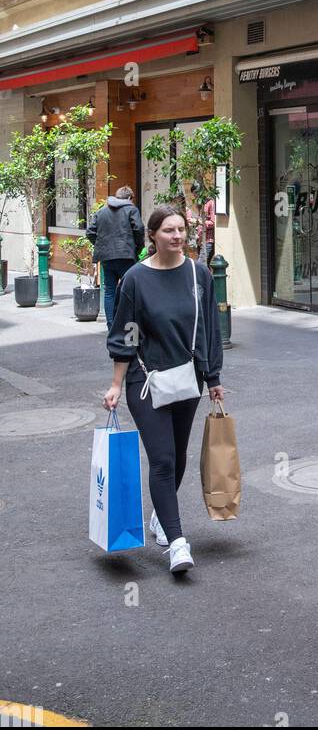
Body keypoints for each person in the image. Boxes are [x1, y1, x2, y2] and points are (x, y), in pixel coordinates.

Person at [101, 205, 224, 576]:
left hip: (187, 377)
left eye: (182, 230)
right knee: (163, 459)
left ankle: (160, 517)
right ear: (152, 235)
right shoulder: (136, 278)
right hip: (146, 380)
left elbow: (209, 330)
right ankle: (177, 542)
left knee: (179, 455)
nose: (178, 236)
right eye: (169, 230)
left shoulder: (198, 274)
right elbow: (128, 331)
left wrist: (213, 378)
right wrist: (116, 383)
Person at [85, 185, 145, 325]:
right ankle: (127, 323)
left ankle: (111, 325)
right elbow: (139, 229)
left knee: (109, 291)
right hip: (126, 256)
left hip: (106, 257)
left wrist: (101, 245)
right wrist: (137, 248)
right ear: (130, 198)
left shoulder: (102, 212)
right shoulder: (131, 209)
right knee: (129, 290)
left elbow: (90, 232)